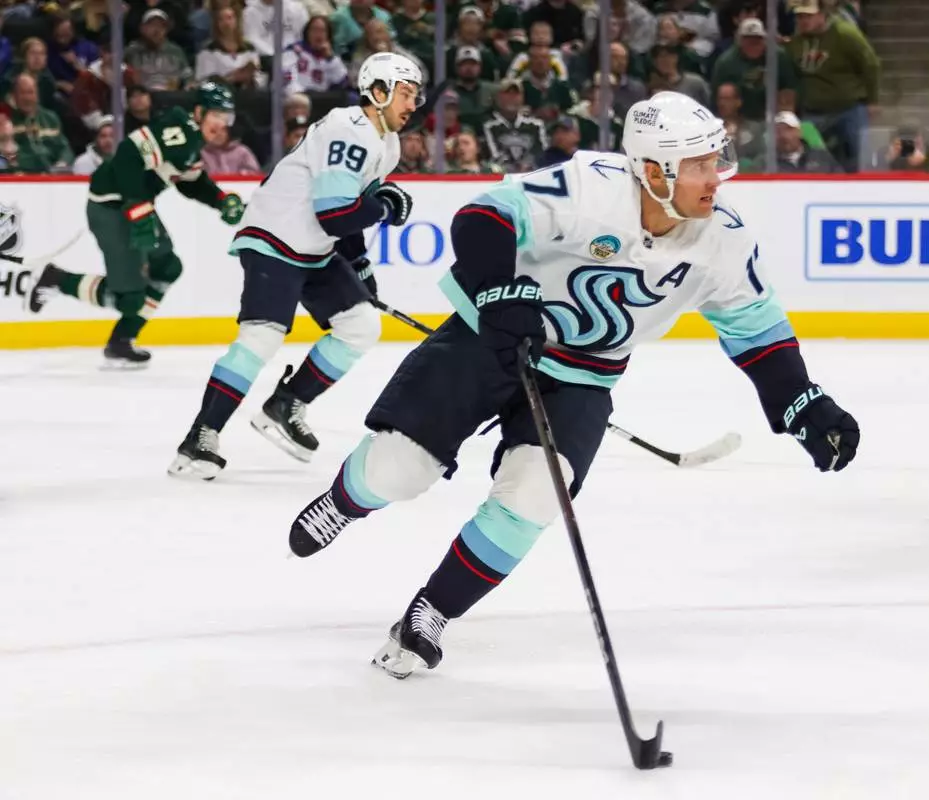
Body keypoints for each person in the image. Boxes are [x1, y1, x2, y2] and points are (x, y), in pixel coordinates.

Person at [285, 91, 861, 679]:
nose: (716, 178)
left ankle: (430, 612)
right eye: (699, 165)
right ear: (654, 171)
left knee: (537, 493)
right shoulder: (591, 188)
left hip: (585, 375)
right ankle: (344, 502)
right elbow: (484, 217)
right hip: (494, 339)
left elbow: (757, 330)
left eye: (717, 160)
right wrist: (499, 293)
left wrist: (801, 402)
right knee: (398, 470)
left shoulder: (724, 238)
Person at [166, 53, 422, 480]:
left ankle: (286, 404)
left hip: (313, 249)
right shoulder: (348, 129)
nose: (413, 104)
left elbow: (347, 216)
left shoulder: (387, 143)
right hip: (274, 237)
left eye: (416, 95)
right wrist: (383, 208)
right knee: (262, 337)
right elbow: (335, 214)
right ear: (378, 92)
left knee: (360, 325)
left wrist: (360, 265)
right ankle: (200, 438)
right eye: (405, 93)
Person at [25, 82, 246, 367]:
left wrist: (219, 200)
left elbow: (190, 181)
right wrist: (138, 207)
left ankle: (122, 340)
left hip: (131, 207)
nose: (222, 124)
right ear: (199, 111)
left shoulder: (191, 139)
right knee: (128, 300)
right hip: (111, 208)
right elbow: (128, 155)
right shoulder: (180, 130)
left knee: (168, 268)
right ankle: (57, 279)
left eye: (227, 117)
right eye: (217, 115)